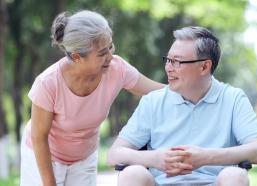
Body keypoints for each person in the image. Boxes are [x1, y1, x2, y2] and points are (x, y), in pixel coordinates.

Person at [107, 26, 257, 186]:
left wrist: (206, 157)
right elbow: (114, 154)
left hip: (215, 182)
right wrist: (155, 158)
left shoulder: (233, 99)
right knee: (131, 174)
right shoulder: (153, 101)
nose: (168, 68)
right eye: (168, 60)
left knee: (235, 176)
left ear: (204, 66)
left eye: (177, 62)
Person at [20, 10, 164, 186]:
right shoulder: (48, 84)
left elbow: (159, 92)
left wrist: (197, 85)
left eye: (110, 47)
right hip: (45, 156)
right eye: (102, 53)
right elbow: (39, 137)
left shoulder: (116, 69)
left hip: (83, 157)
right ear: (77, 57)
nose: (110, 56)